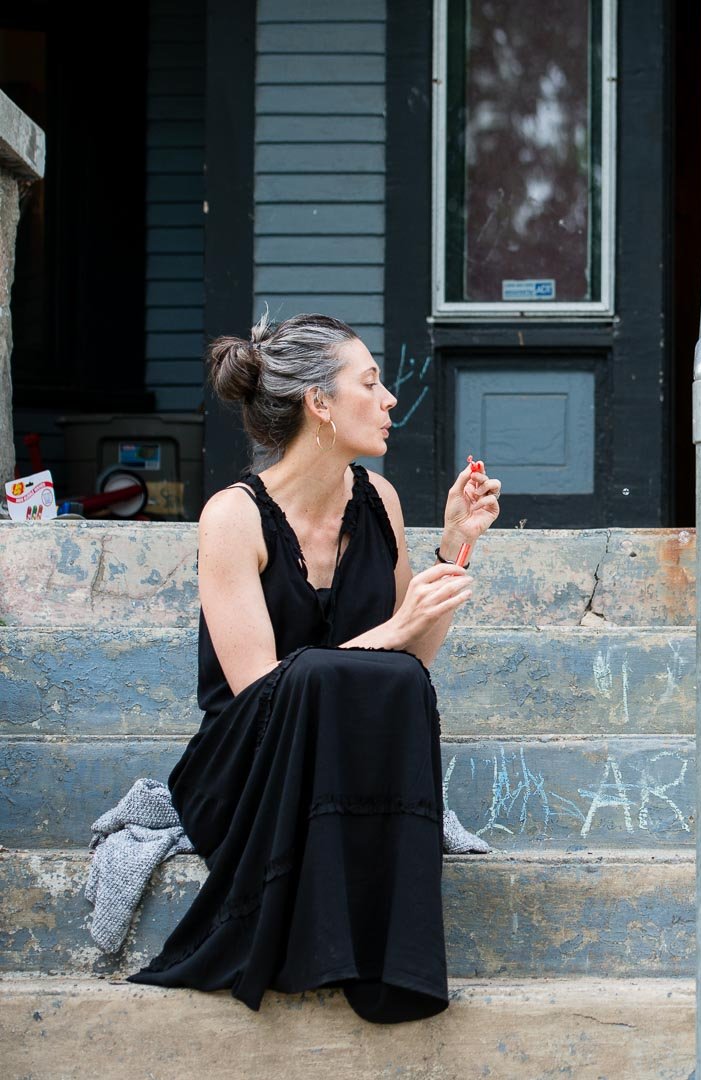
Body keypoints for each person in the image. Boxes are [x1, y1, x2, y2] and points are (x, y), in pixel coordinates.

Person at [129, 312, 501, 1023]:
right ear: (319, 405)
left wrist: (455, 547)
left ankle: (391, 966)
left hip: (346, 765)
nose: (390, 399)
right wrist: (392, 627)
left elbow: (407, 660)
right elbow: (263, 694)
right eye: (370, 383)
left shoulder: (380, 502)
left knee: (398, 682)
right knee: (308, 679)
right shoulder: (231, 518)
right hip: (248, 772)